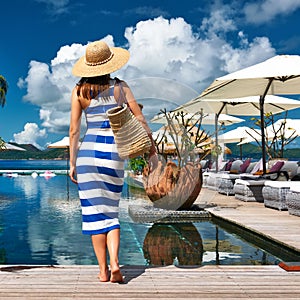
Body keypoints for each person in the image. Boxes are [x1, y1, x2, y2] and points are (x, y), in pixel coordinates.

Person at [69, 40, 156, 283]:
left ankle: (103, 271)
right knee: (111, 213)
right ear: (109, 63)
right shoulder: (120, 87)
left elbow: (74, 131)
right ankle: (116, 262)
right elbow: (140, 119)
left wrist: (72, 163)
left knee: (94, 213)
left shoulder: (79, 91)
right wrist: (152, 150)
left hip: (88, 155)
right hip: (113, 154)